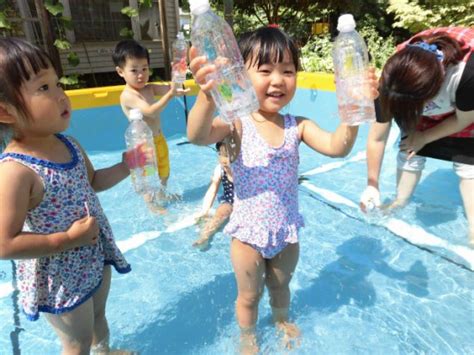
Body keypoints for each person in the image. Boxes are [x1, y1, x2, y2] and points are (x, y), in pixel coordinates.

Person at [187, 27, 378, 352]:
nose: (278, 80)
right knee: (249, 296)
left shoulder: (298, 126)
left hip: (286, 233)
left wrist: (353, 108)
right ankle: (248, 337)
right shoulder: (237, 124)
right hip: (247, 235)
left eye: (287, 71)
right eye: (265, 71)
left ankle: (280, 320)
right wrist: (208, 96)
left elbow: (338, 147)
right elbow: (197, 135)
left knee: (281, 286)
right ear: (240, 77)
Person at [0, 38, 133, 354]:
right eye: (43, 88)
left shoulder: (68, 143)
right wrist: (66, 239)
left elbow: (94, 181)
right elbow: (4, 244)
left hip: (92, 253)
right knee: (76, 342)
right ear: (5, 111)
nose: (61, 95)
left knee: (99, 318)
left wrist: (128, 165)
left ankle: (105, 351)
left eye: (56, 83)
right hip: (60, 273)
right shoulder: (16, 171)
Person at [359, 27, 474, 246]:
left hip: (466, 108)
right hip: (417, 92)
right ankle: (399, 202)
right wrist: (372, 184)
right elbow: (377, 137)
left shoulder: (466, 74)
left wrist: (425, 136)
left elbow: (464, 120)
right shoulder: (393, 80)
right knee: (408, 146)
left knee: (469, 166)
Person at [113, 39, 189, 198]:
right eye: (134, 70)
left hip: (158, 139)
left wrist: (178, 75)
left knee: (164, 172)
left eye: (144, 68)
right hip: (142, 144)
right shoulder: (128, 95)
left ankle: (161, 196)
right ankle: (150, 204)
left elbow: (172, 87)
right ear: (121, 72)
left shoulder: (149, 88)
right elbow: (151, 111)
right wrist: (170, 95)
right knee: (147, 177)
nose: (141, 75)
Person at [193, 141, 234, 251]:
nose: (223, 160)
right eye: (220, 154)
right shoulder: (220, 169)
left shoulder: (243, 170)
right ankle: (204, 236)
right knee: (222, 211)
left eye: (227, 155)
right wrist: (205, 211)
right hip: (230, 202)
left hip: (247, 202)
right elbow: (212, 190)